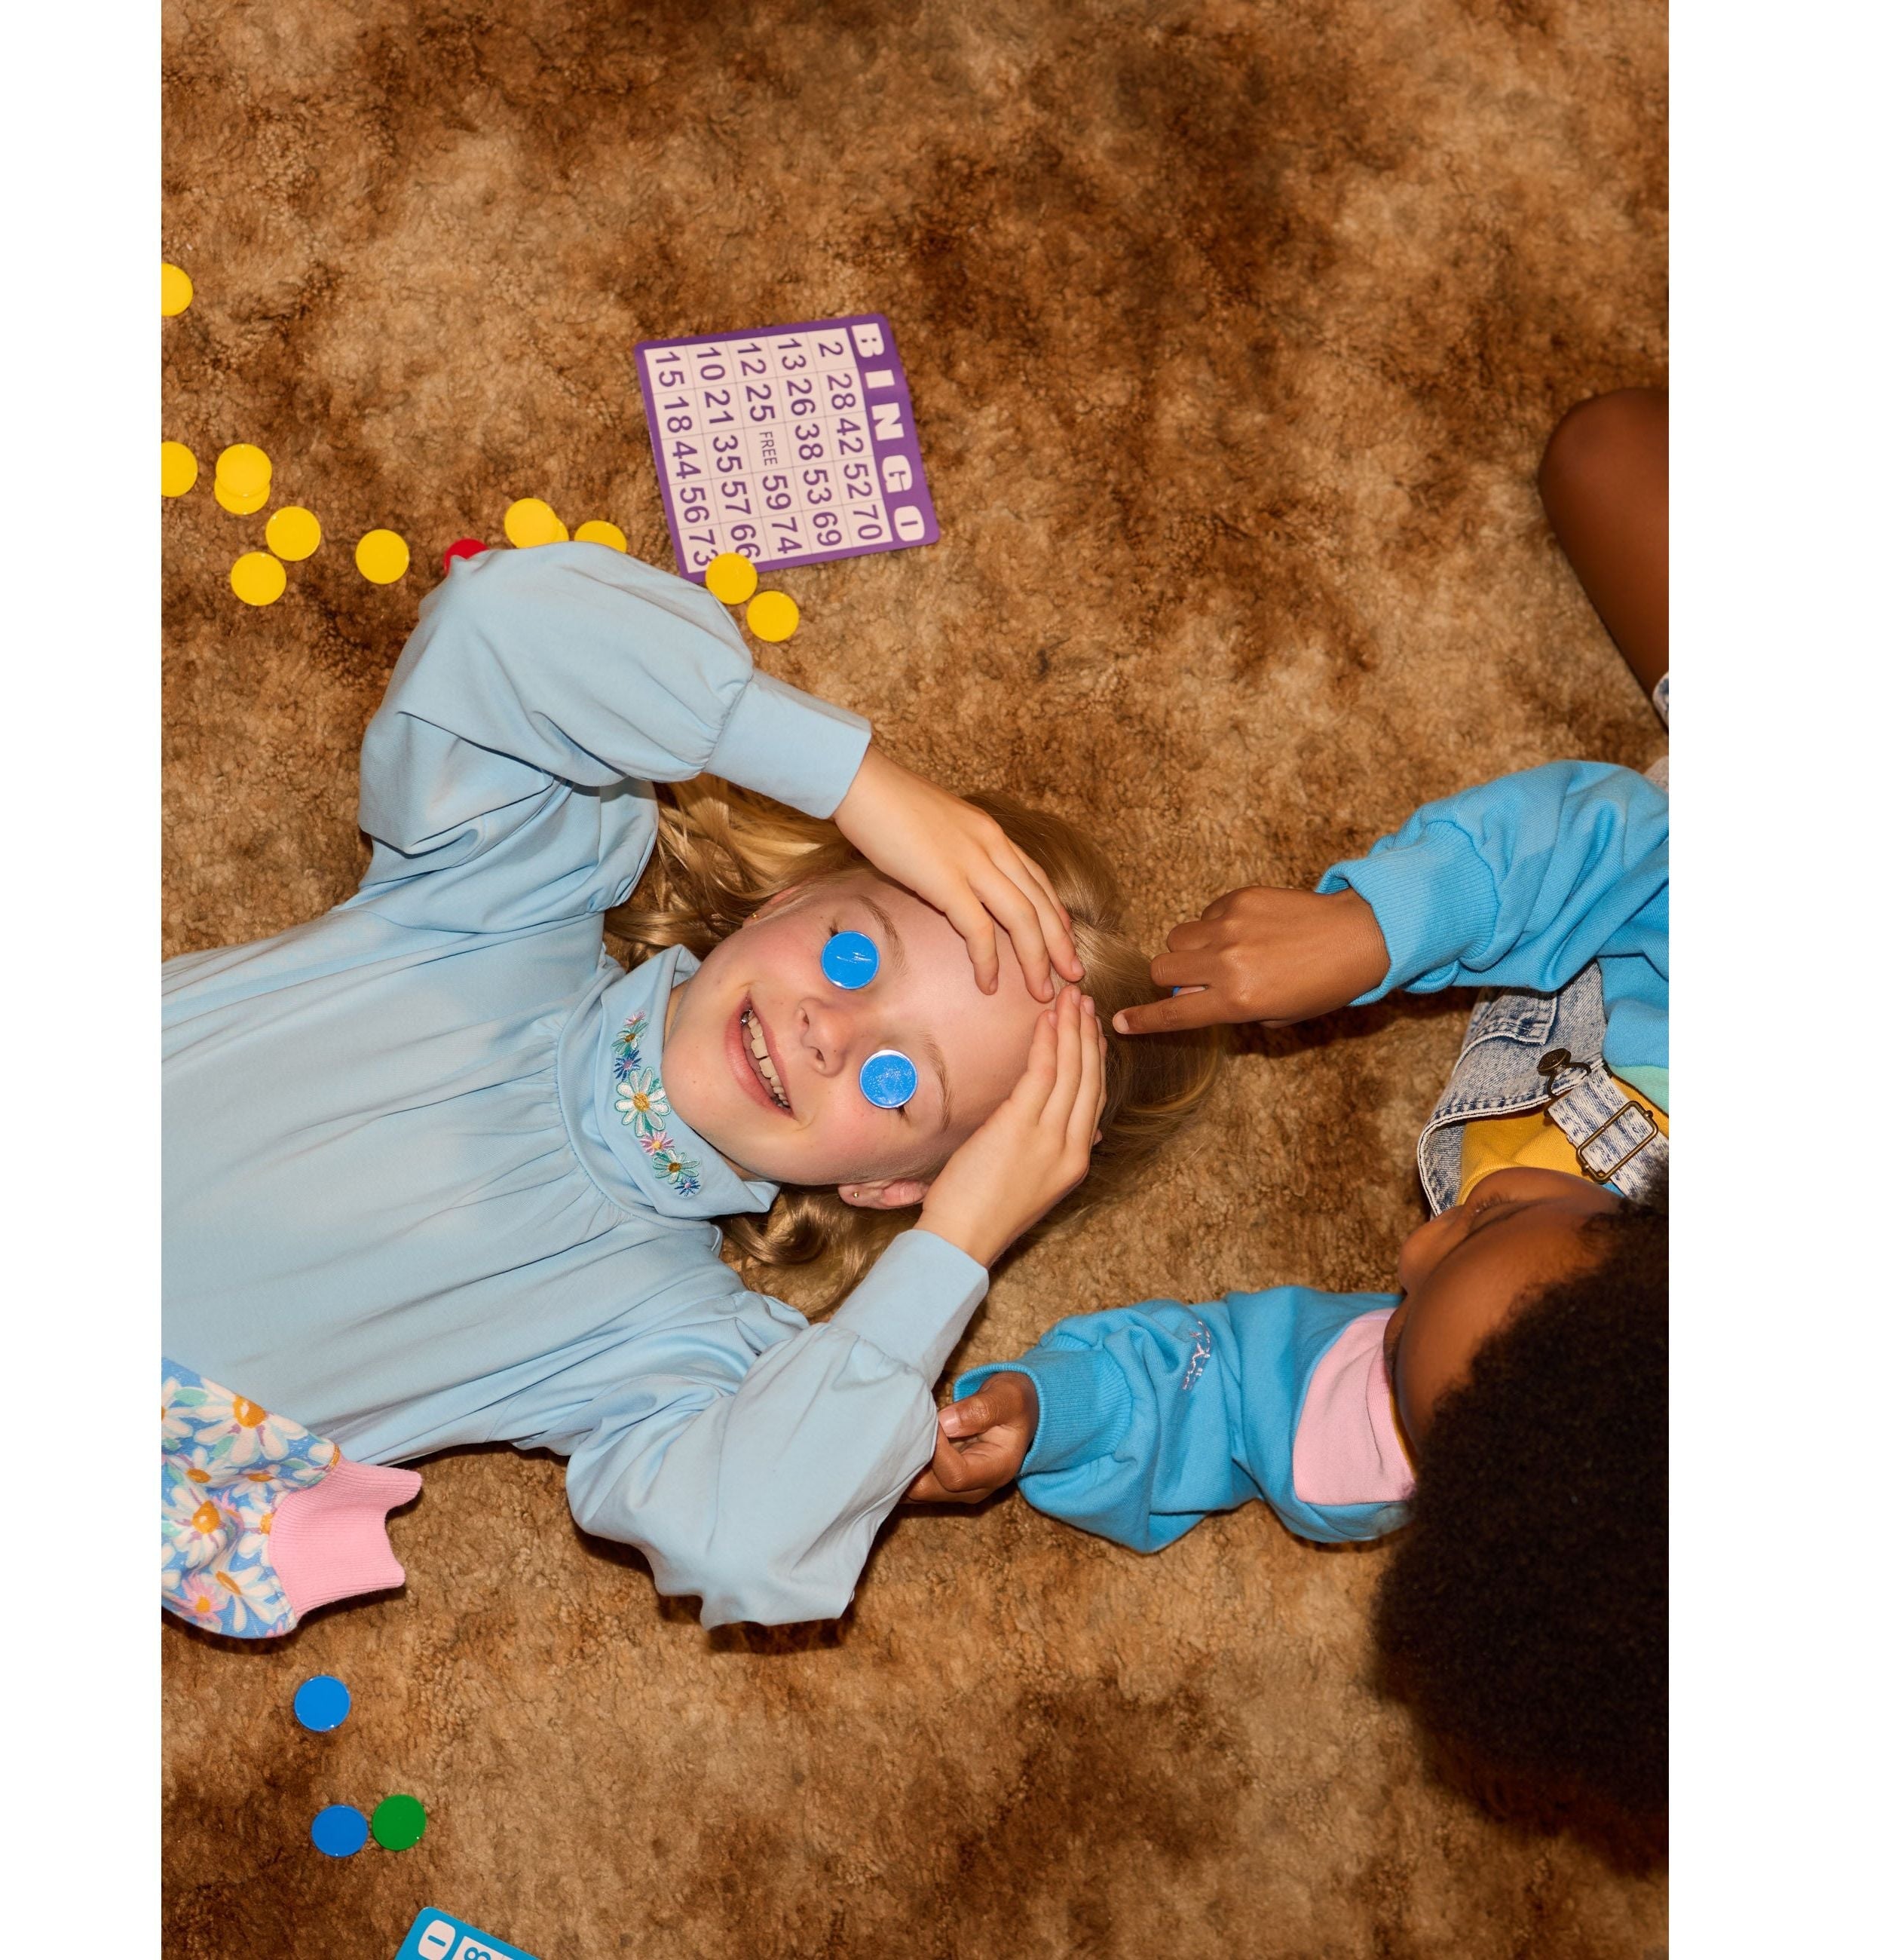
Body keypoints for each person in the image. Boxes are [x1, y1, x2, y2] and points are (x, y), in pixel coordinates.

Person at [161, 541, 1219, 1637]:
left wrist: (954, 1251)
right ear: (786, 903)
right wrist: (858, 779)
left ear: (892, 1187)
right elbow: (499, 623)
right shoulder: (516, 891)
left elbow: (742, 1544)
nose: (830, 1031)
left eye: (896, 1081)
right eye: (855, 952)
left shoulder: (657, 1337)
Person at [914, 391, 1670, 1824]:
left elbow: (1225, 1394)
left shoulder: (1447, 1441)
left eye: (1402, 1326)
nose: (1409, 1247)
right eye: (1481, 1223)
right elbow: (1631, 849)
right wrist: (1381, 926)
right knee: (1608, 452)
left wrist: (1051, 1411)